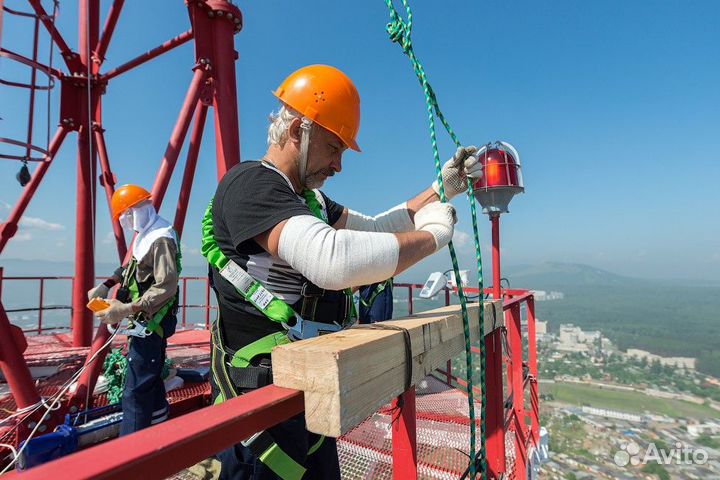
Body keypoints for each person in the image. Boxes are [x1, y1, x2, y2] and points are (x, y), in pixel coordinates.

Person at [204, 64, 481, 479]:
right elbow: (333, 261)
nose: (338, 166)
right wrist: (434, 237)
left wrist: (441, 191)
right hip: (259, 402)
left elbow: (374, 228)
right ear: (299, 130)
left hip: (302, 388)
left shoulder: (307, 200)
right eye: (334, 148)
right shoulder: (252, 185)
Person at [87, 184, 181, 436]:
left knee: (135, 389)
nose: (127, 222)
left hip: (152, 321)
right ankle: (159, 426)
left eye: (127, 216)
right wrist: (106, 285)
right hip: (144, 319)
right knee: (149, 375)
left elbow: (166, 285)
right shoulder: (147, 234)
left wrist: (127, 308)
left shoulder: (160, 238)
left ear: (136, 211)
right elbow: (130, 267)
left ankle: (130, 448)